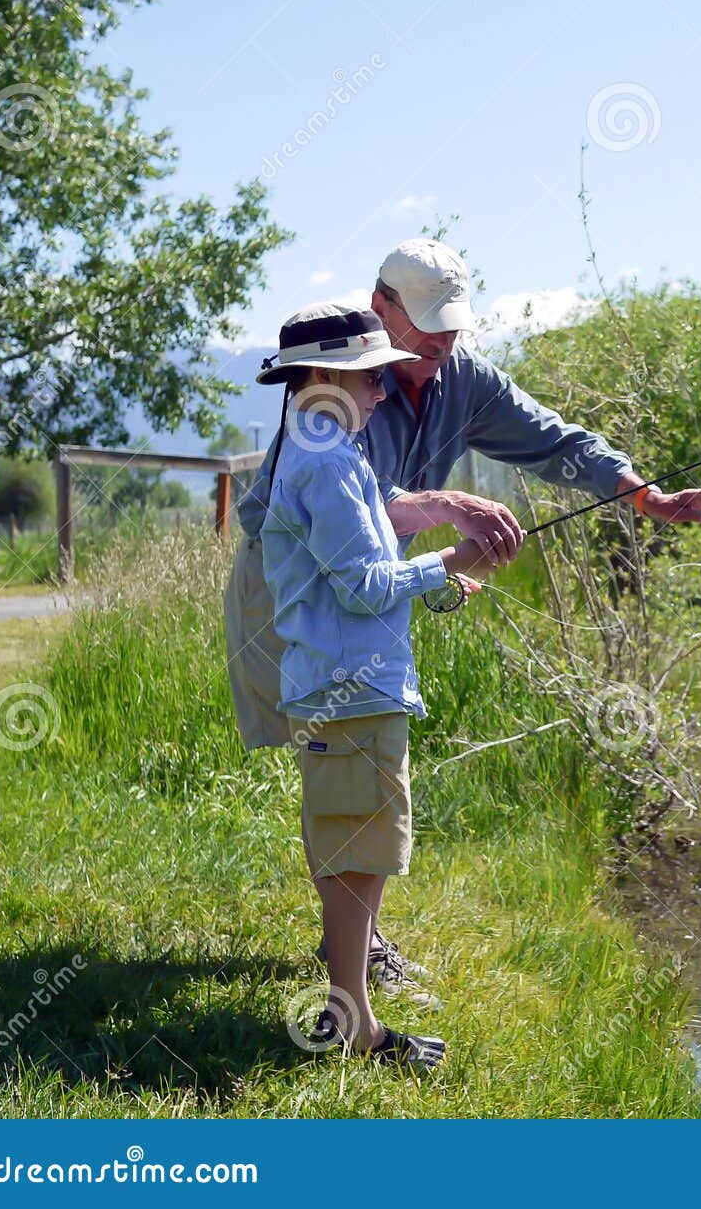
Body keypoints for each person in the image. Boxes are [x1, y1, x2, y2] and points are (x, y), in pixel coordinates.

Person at [224, 238, 701, 1002]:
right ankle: (359, 968)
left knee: (358, 767)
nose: (440, 342)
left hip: (373, 591)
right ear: (381, 309)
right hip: (291, 589)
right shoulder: (332, 393)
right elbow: (318, 509)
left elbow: (558, 441)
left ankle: (355, 956)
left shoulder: (463, 379)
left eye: (452, 326)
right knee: (334, 764)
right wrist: (435, 511)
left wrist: (648, 497)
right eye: (426, 323)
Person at [258, 302, 500, 1069]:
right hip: (346, 690)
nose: (382, 392)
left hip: (355, 688)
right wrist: (454, 562)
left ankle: (353, 1012)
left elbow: (363, 562)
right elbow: (364, 586)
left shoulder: (333, 448)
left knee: (363, 849)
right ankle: (354, 1023)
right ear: (325, 376)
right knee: (353, 852)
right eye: (368, 377)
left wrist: (432, 585)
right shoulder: (326, 458)